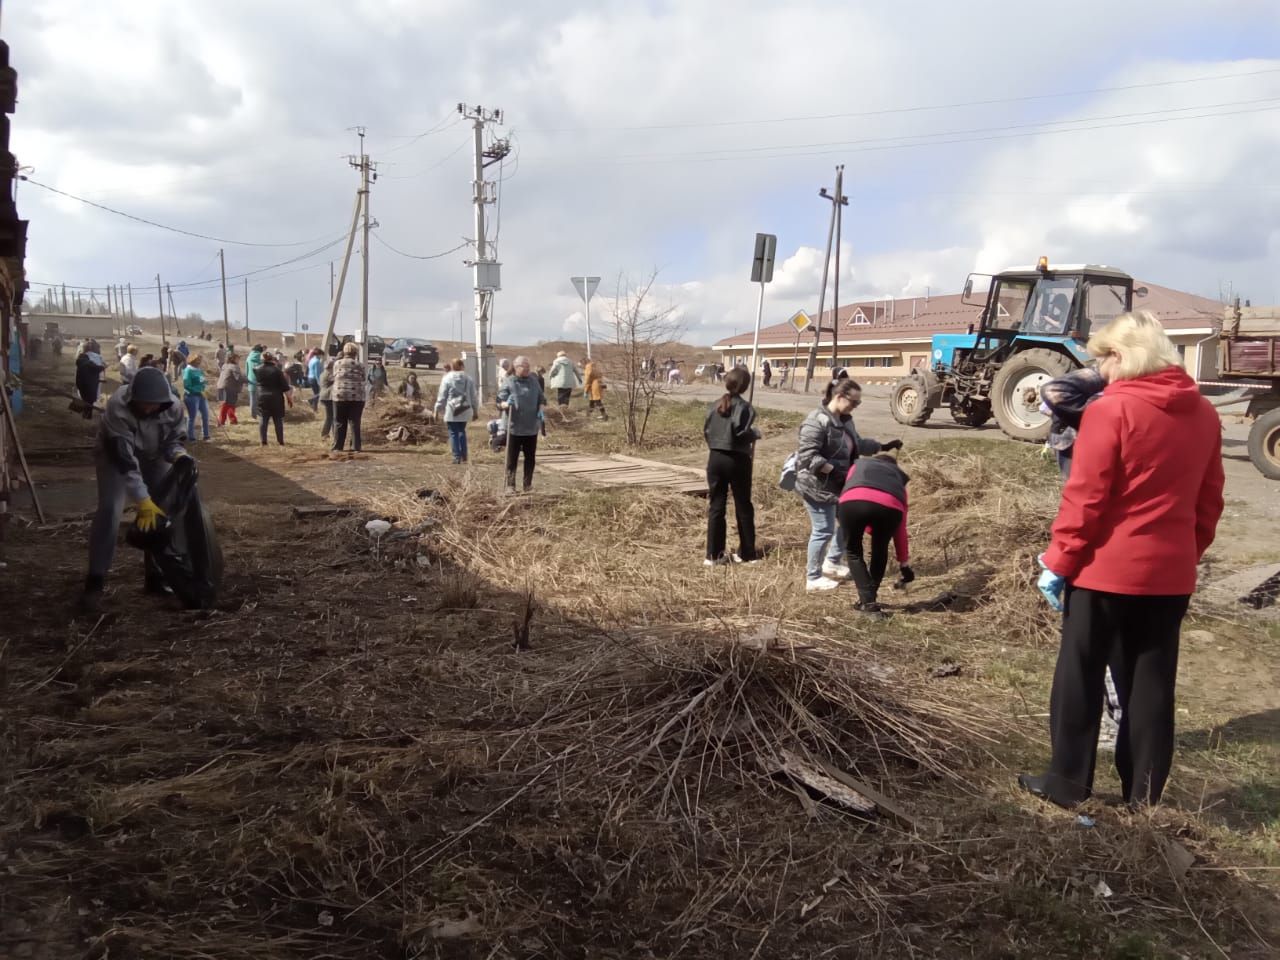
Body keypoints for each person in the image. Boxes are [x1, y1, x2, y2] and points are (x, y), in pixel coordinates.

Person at [1018, 312, 1225, 810]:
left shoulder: (1112, 412)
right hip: (1169, 576)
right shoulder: (1204, 415)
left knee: (1080, 674)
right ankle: (1143, 795)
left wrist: (1059, 561)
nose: (1099, 371)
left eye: (1102, 359)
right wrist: (1182, 555)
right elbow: (1209, 502)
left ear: (1121, 357)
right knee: (1151, 684)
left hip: (1104, 572)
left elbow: (1086, 499)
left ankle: (1067, 783)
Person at [82, 366, 188, 614]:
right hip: (114, 457)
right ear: (133, 398)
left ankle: (156, 575)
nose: (149, 409)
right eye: (144, 404)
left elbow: (173, 442)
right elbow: (124, 459)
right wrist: (142, 499)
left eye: (154, 404)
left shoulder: (174, 408)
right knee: (110, 510)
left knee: (161, 513)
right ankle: (95, 580)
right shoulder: (118, 406)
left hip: (154, 456)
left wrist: (179, 455)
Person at [794, 377, 902, 592]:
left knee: (848, 525)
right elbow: (807, 457)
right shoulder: (816, 421)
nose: (855, 407)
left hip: (839, 484)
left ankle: (832, 563)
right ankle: (813, 577)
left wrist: (882, 446)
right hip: (816, 485)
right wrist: (832, 472)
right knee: (823, 530)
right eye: (854, 402)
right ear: (839, 397)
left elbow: (857, 444)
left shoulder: (844, 420)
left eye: (858, 404)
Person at [837, 452, 912, 616]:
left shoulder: (859, 466)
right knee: (880, 550)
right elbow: (900, 529)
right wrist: (903, 562)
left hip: (851, 503)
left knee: (853, 551)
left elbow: (846, 489)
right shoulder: (896, 479)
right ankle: (870, 600)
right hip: (890, 509)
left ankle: (868, 601)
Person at [703, 367, 759, 566]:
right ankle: (747, 553)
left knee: (716, 505)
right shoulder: (745, 407)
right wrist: (755, 434)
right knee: (743, 505)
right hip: (737, 459)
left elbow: (707, 432)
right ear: (745, 386)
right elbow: (740, 433)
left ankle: (713, 555)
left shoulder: (713, 405)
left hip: (715, 458)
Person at [1040, 367, 1106, 480]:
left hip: (1068, 436)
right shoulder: (1103, 375)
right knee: (1074, 480)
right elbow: (1049, 394)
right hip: (1067, 438)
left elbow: (1043, 408)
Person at [496, 355, 546, 494]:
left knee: (530, 458)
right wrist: (506, 404)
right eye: (525, 367)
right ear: (517, 367)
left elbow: (541, 398)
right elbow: (499, 402)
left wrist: (541, 410)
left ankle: (527, 485)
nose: (528, 369)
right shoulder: (509, 382)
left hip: (531, 426)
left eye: (529, 367)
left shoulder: (534, 381)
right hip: (514, 426)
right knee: (512, 458)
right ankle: (510, 485)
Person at [436, 358, 479, 464]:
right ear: (462, 366)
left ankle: (456, 457)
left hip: (451, 409)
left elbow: (442, 396)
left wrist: (437, 409)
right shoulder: (468, 379)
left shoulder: (447, 378)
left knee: (453, 433)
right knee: (461, 431)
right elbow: (474, 397)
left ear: (452, 366)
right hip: (464, 408)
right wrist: (475, 410)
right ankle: (464, 456)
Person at [332, 341, 367, 452]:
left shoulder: (337, 363)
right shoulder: (360, 365)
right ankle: (356, 446)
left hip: (339, 395)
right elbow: (363, 378)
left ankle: (338, 446)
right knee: (355, 422)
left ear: (344, 351)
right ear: (355, 353)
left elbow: (334, 376)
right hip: (356, 397)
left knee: (339, 421)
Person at [255, 352, 290, 446]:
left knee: (263, 418)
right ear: (272, 360)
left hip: (262, 396)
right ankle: (280, 440)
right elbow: (285, 387)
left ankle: (263, 441)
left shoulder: (257, 370)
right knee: (277, 419)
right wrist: (289, 398)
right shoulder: (277, 371)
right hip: (276, 397)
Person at [181, 354, 212, 441]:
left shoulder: (199, 370)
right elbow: (187, 386)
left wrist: (205, 386)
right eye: (198, 360)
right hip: (191, 396)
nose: (199, 362)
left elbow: (202, 381)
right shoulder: (188, 370)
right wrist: (198, 390)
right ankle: (191, 437)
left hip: (201, 395)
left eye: (200, 360)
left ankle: (206, 435)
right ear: (193, 360)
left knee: (205, 415)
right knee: (192, 417)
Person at [74, 339, 107, 419]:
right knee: (90, 401)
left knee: (84, 399)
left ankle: (84, 415)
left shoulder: (81, 358)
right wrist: (104, 367)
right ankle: (87, 416)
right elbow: (97, 368)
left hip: (82, 383)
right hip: (90, 383)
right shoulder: (89, 360)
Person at [217, 352, 244, 425]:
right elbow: (239, 378)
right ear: (233, 359)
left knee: (230, 404)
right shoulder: (234, 367)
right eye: (238, 358)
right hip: (229, 388)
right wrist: (250, 380)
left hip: (221, 386)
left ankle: (233, 420)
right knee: (226, 404)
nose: (239, 360)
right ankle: (221, 421)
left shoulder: (225, 365)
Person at [318, 357, 336, 440]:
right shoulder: (329, 374)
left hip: (324, 396)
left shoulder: (323, 373)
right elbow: (337, 380)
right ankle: (325, 434)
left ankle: (331, 433)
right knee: (330, 417)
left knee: (331, 416)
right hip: (328, 397)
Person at [246, 344, 264, 420]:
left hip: (250, 379)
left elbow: (246, 369)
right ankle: (257, 413)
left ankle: (253, 414)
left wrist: (247, 378)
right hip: (258, 380)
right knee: (258, 398)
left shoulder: (248, 357)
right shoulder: (260, 358)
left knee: (252, 398)